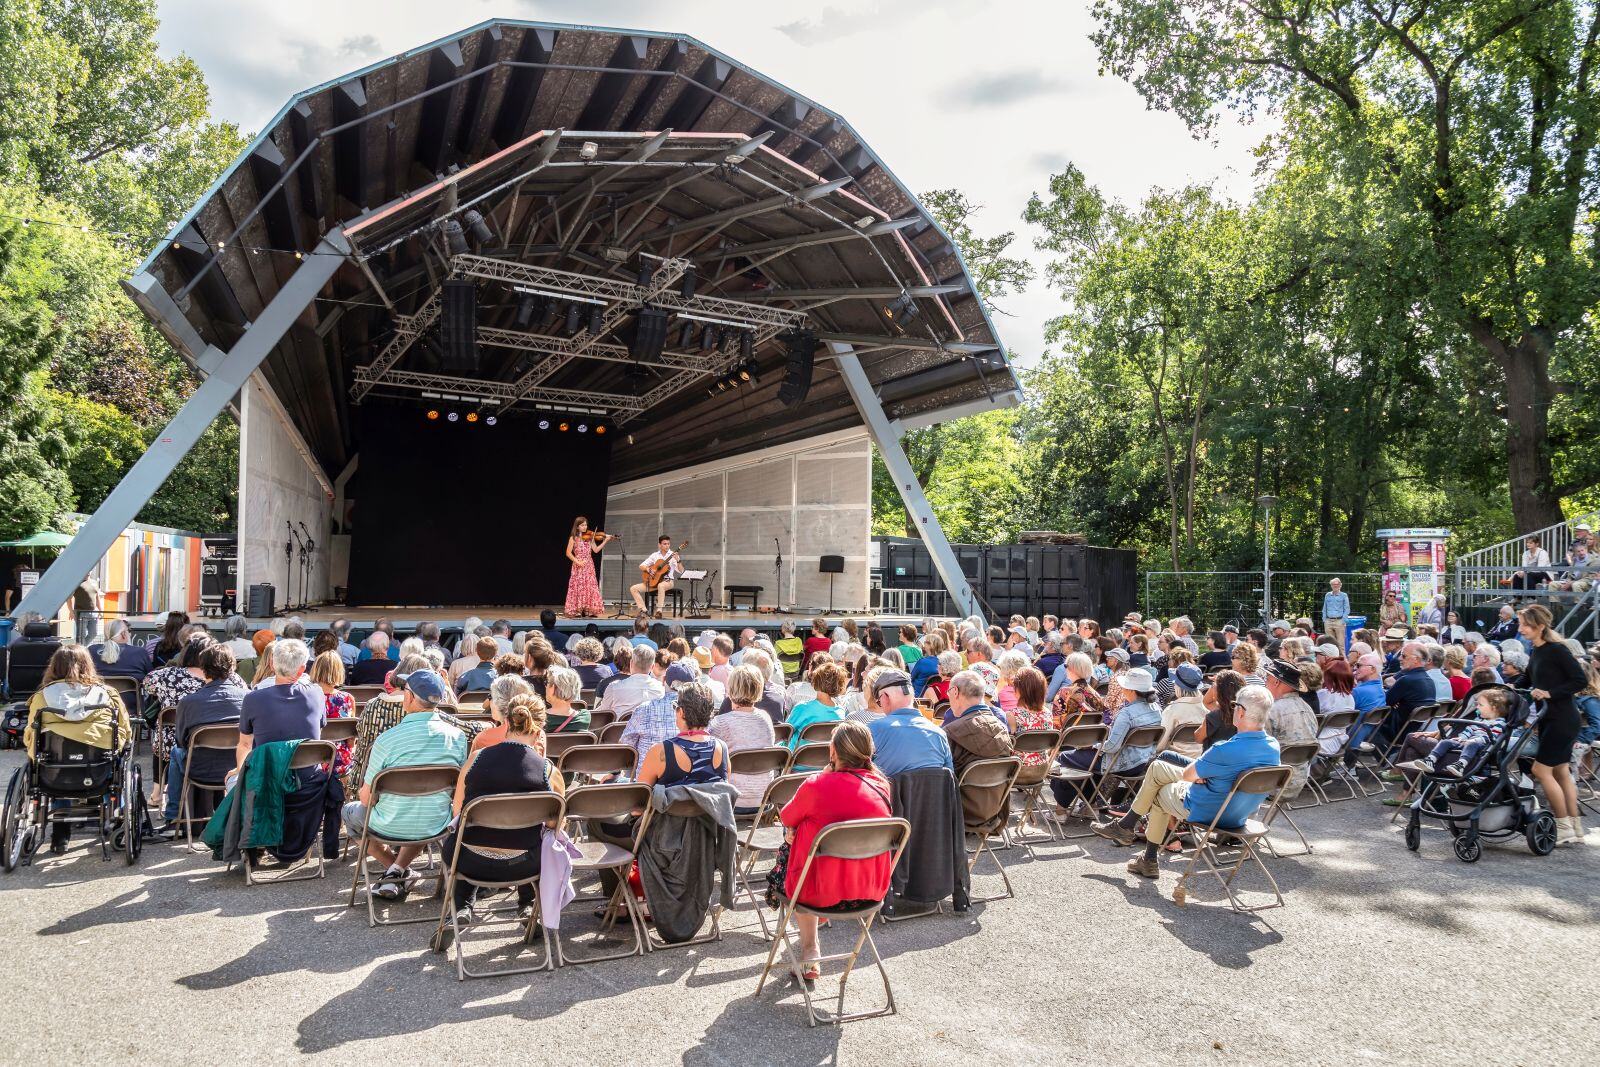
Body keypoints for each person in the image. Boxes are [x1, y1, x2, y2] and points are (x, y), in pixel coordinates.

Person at [1091, 685, 1281, 878]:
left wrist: (1202, 773)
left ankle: (1141, 848)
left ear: (1240, 711)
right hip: (1239, 814)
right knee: (1161, 770)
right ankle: (1132, 835)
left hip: (1208, 811)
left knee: (1158, 782)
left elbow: (1189, 775)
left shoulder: (1224, 750)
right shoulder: (1273, 748)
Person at [777, 719, 894, 982]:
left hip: (817, 891)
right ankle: (812, 938)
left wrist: (793, 832)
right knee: (809, 831)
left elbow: (786, 816)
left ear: (833, 752)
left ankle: (810, 949)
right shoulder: (882, 785)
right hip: (868, 889)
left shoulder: (816, 785)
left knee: (793, 837)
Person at [437, 692, 563, 933]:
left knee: (464, 831)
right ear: (539, 730)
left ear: (506, 722)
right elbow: (555, 825)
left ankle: (462, 907)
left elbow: (458, 810)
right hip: (525, 864)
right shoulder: (547, 770)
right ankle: (528, 904)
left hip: (467, 861)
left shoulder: (475, 759)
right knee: (542, 837)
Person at [343, 669, 470, 899]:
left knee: (350, 813)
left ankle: (395, 870)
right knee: (420, 806)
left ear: (409, 697)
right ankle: (398, 871)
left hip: (391, 823)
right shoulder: (457, 738)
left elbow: (366, 798)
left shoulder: (387, 740)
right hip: (437, 821)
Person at [23, 645, 134, 852]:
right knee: (117, 760)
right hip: (99, 767)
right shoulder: (108, 694)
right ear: (88, 665)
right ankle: (112, 818)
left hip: (55, 772)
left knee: (53, 761)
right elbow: (124, 730)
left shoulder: (42, 697)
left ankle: (60, 835)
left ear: (54, 667)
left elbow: (31, 732)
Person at [157, 644, 247, 835]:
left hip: (199, 768)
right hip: (239, 766)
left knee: (176, 752)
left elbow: (181, 740)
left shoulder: (189, 702)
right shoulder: (248, 697)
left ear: (204, 670)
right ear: (232, 667)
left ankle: (174, 815)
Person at [1519, 605, 1587, 844]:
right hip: (1550, 718)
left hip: (1562, 718)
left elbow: (1580, 679)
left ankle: (1563, 824)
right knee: (1560, 771)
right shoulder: (1536, 650)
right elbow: (1527, 678)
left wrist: (1550, 693)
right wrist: (1506, 688)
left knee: (1540, 770)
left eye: (1525, 625)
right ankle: (1575, 826)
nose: (1521, 629)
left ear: (1539, 626)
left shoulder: (1556, 650)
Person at [235, 639, 325, 777]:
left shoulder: (253, 698)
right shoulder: (317, 693)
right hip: (310, 784)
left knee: (231, 781)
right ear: (302, 670)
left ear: (271, 664)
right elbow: (316, 734)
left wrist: (238, 773)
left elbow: (245, 745)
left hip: (265, 784)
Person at [710, 665, 778, 814]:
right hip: (763, 798)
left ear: (731, 688)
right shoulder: (765, 718)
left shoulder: (721, 722)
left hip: (731, 800)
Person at [866, 669, 953, 777]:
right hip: (933, 793)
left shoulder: (872, 730)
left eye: (879, 701)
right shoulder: (939, 734)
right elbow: (950, 781)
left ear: (885, 697)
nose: (881, 705)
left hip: (889, 793)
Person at [1261, 660, 1319, 799]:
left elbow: (1259, 750)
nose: (1265, 683)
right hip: (1298, 781)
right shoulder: (1306, 707)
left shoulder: (1273, 710)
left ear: (1276, 682)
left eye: (1267, 679)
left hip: (1272, 784)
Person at [942, 670, 1014, 781]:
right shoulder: (1003, 729)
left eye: (949, 692)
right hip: (998, 796)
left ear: (955, 691)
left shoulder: (949, 733)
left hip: (960, 797)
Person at [596, 642, 665, 721]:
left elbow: (602, 714)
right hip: (650, 733)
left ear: (631, 663)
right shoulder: (661, 689)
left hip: (620, 733)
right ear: (652, 667)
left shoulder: (614, 687)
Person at [786, 662, 848, 750]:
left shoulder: (802, 708)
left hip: (795, 761)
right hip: (826, 760)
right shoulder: (841, 712)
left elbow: (786, 734)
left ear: (815, 682)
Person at [564, 516, 613, 618]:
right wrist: (577, 561)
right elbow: (568, 553)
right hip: (578, 565)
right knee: (578, 587)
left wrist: (605, 541)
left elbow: (595, 550)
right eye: (582, 525)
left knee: (589, 587)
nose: (585, 527)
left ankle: (588, 610)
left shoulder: (590, 537)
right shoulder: (573, 538)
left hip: (589, 565)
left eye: (585, 524)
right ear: (577, 527)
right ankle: (578, 610)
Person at [1159, 664, 1208, 759]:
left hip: (1175, 760)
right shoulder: (1206, 709)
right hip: (1200, 758)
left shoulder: (1171, 710)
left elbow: (1160, 745)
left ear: (1178, 686)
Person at [630, 535, 681, 618]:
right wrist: (648, 569)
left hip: (668, 581)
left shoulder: (673, 555)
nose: (667, 546)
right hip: (654, 581)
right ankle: (644, 610)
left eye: (668, 544)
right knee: (633, 588)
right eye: (664, 544)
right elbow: (641, 565)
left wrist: (678, 560)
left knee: (661, 585)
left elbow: (681, 570)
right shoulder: (655, 555)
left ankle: (659, 611)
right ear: (659, 545)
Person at [542, 665, 589, 733]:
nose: (545, 686)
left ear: (553, 688)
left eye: (547, 683)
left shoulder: (539, 720)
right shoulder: (585, 716)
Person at [1321, 578, 1350, 649]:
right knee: (1329, 643)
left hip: (1339, 621)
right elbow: (1324, 608)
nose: (1335, 586)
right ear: (1331, 585)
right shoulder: (1327, 595)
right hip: (1328, 621)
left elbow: (1347, 608)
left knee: (1340, 643)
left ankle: (1342, 658)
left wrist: (1343, 621)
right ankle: (1331, 659)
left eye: (1337, 584)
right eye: (1333, 584)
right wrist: (1324, 620)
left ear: (1340, 585)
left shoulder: (1344, 595)